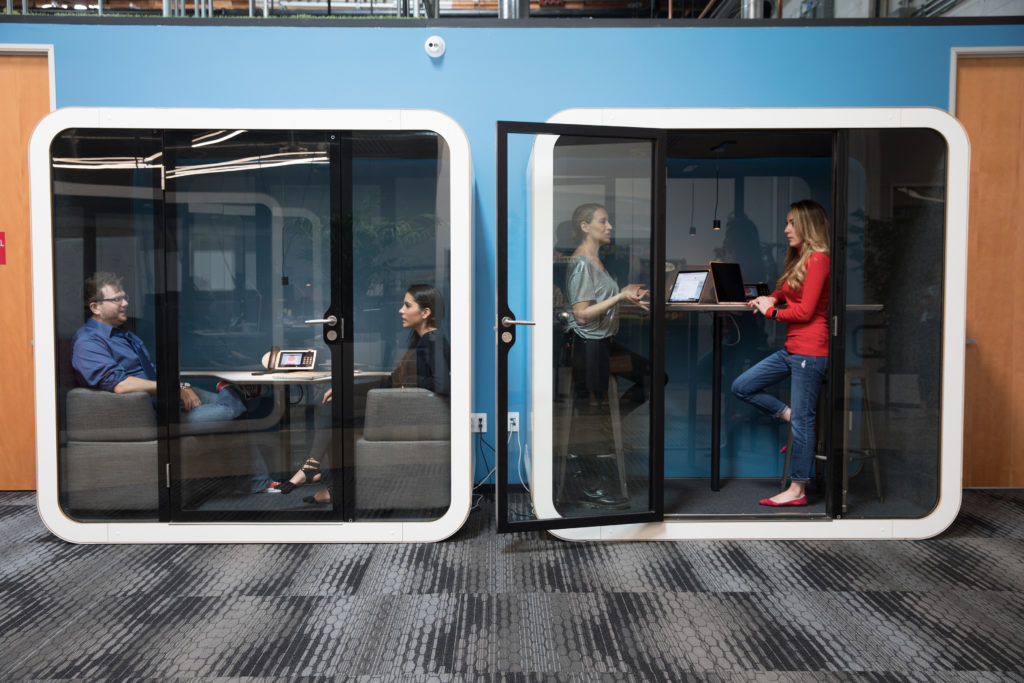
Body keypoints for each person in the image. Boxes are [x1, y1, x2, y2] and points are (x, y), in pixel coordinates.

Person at [71, 272, 277, 493]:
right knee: (231, 409)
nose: (126, 303)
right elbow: (120, 385)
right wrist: (174, 389)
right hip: (154, 416)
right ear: (95, 307)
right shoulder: (88, 342)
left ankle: (255, 481)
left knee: (233, 405)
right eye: (117, 300)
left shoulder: (123, 335)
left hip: (168, 402)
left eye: (125, 297)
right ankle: (255, 480)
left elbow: (152, 371)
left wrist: (183, 387)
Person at [279, 284, 451, 504]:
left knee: (335, 410)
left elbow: (443, 384)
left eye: (407, 305)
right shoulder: (421, 340)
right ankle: (326, 479)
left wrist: (411, 379)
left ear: (426, 312)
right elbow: (391, 382)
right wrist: (346, 389)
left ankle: (315, 470)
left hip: (409, 416)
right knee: (335, 403)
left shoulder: (433, 341)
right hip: (399, 406)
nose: (400, 310)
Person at [731, 200, 831, 507]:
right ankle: (793, 418)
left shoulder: (819, 260)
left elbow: (805, 311)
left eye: (791, 223)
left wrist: (771, 312)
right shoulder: (800, 258)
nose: (786, 229)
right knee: (742, 386)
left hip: (810, 350)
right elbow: (784, 292)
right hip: (792, 349)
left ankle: (797, 490)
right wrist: (768, 297)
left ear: (806, 225)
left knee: (804, 422)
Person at [561, 203, 651, 509]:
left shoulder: (596, 260)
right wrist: (620, 296)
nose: (610, 226)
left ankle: (605, 430)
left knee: (652, 377)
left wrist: (625, 296)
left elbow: (600, 304)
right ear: (585, 227)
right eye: (604, 221)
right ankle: (589, 486)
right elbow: (582, 314)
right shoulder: (582, 263)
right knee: (590, 413)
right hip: (587, 345)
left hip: (603, 343)